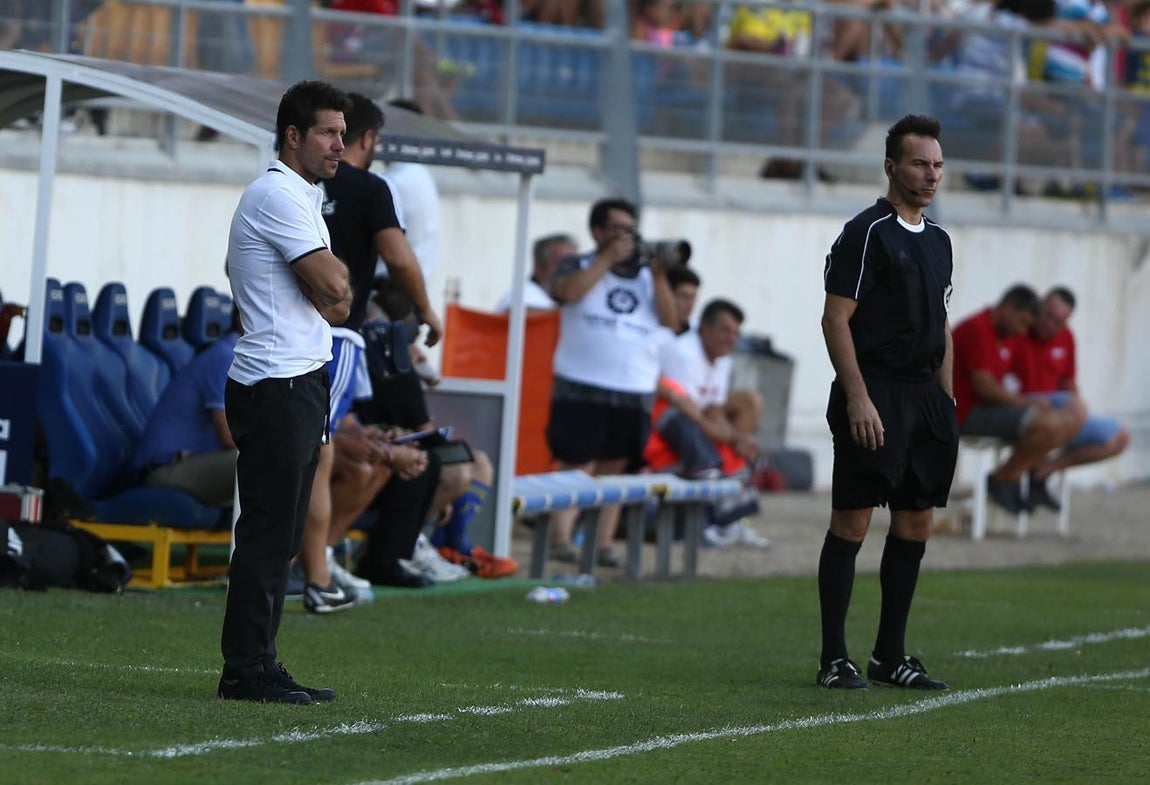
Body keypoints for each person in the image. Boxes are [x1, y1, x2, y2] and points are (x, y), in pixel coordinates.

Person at [218, 80, 353, 705]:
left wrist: (328, 287)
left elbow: (337, 299)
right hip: (276, 380)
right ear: (293, 135)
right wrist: (327, 285)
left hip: (300, 378)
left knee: (287, 533)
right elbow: (331, 286)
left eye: (344, 134)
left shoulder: (302, 196)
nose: (339, 145)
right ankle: (245, 669)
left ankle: (261, 662)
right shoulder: (275, 192)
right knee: (270, 534)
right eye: (328, 132)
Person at [817, 114, 956, 691]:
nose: (931, 175)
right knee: (852, 521)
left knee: (915, 523)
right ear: (892, 167)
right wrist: (858, 398)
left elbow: (943, 325)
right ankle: (832, 658)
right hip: (875, 393)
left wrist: (946, 403)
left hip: (926, 401)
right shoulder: (866, 232)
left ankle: (889, 655)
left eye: (938, 165)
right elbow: (835, 319)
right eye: (921, 163)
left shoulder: (942, 241)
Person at [291, 91, 444, 610]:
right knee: (316, 454)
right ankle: (314, 574)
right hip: (332, 338)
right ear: (369, 138)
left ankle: (309, 568)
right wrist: (425, 310)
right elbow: (398, 259)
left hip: (279, 335)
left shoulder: (285, 187)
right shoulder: (369, 188)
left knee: (305, 455)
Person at [544, 197, 678, 568]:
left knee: (615, 470)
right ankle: (561, 540)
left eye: (630, 230)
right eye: (617, 229)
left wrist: (661, 275)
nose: (626, 237)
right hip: (580, 385)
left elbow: (671, 320)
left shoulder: (648, 277)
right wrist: (606, 258)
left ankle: (602, 544)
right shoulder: (579, 264)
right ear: (598, 231)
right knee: (576, 466)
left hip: (633, 391)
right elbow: (567, 293)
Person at [644, 297, 769, 548]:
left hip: (694, 419)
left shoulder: (722, 357)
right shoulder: (684, 353)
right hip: (666, 419)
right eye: (724, 330)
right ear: (704, 327)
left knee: (745, 427)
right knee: (706, 459)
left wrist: (737, 439)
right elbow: (692, 413)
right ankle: (701, 524)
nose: (730, 338)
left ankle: (729, 520)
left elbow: (713, 409)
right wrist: (733, 438)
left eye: (735, 332)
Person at [952, 284, 1085, 513]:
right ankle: (1005, 479)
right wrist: (1027, 403)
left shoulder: (1002, 335)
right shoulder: (979, 328)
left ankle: (1016, 476)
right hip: (962, 412)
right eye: (1023, 322)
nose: (1024, 331)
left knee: (1065, 418)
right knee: (1051, 423)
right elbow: (985, 386)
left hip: (986, 409)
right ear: (1008, 308)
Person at [1008, 286, 1129, 502]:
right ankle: (1022, 473)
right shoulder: (1018, 329)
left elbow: (1069, 381)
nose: (1050, 324)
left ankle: (1044, 470)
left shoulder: (1066, 337)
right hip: (1023, 406)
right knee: (1068, 412)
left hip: (1057, 408)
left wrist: (1075, 405)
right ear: (1040, 306)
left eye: (1059, 321)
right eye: (1048, 315)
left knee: (1119, 438)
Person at [133, 312, 240, 511]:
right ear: (243, 315)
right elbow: (228, 436)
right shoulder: (226, 357)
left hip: (195, 462)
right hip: (166, 470)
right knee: (264, 458)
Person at [494, 232, 577, 313]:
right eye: (563, 262)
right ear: (539, 266)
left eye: (574, 263)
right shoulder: (524, 293)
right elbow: (513, 315)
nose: (570, 269)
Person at [665, 264, 700, 335]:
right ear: (668, 296)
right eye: (684, 296)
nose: (690, 304)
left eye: (693, 297)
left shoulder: (698, 332)